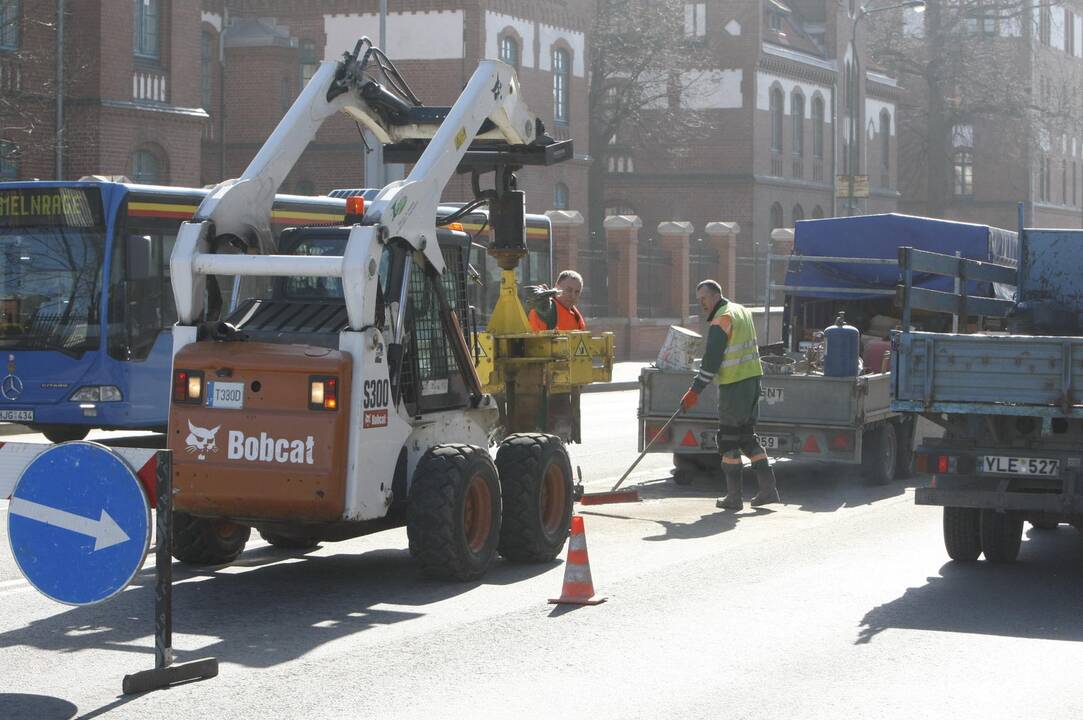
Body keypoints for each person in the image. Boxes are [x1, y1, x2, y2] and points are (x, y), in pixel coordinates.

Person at [680, 279, 780, 510]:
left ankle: (733, 498)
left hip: (734, 384)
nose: (702, 304)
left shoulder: (722, 318)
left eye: (703, 298)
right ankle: (768, 490)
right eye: (699, 300)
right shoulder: (741, 311)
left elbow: (712, 359)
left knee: (728, 440)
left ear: (715, 296)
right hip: (753, 381)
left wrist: (694, 391)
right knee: (746, 436)